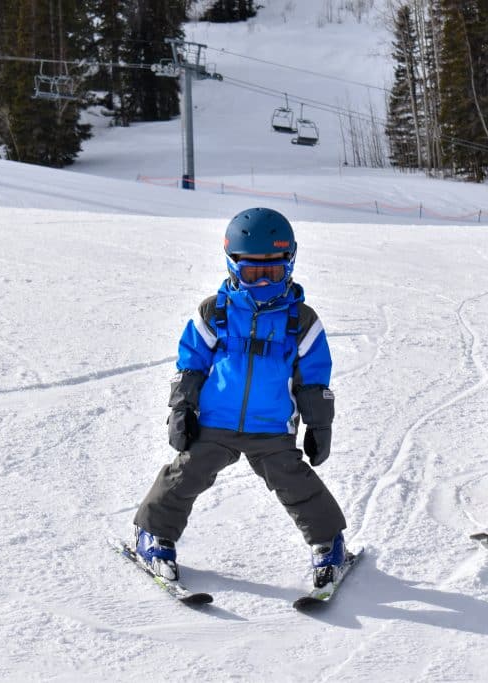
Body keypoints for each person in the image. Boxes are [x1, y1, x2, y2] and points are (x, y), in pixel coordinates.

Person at [133, 207, 349, 589]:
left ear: (290, 263)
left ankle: (328, 543)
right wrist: (181, 407)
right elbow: (191, 366)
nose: (264, 282)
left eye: (273, 271)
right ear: (233, 266)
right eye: (253, 273)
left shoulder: (301, 321)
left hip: (271, 428)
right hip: (216, 423)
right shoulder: (215, 312)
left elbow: (313, 379)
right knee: (185, 474)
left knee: (296, 483)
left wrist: (319, 425)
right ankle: (153, 535)